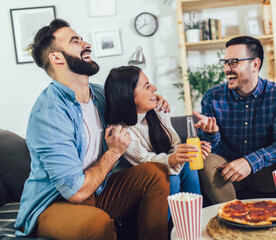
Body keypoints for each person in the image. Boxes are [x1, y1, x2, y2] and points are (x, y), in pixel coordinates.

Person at [15, 19, 171, 240]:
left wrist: (152, 99)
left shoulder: (99, 95)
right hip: (55, 203)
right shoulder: (49, 114)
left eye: (82, 38)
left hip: (98, 189)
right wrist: (114, 152)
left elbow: (130, 102)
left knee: (156, 173)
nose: (86, 44)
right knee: (96, 224)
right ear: (57, 57)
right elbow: (76, 192)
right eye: (75, 41)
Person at [193, 36, 276, 204]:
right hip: (227, 174)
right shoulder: (212, 97)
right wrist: (211, 134)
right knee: (206, 160)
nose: (227, 69)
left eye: (234, 62)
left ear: (255, 65)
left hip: (267, 171)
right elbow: (209, 149)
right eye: (225, 62)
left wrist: (250, 162)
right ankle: (233, 220)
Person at [104, 66, 211, 198]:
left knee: (188, 164)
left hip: (160, 168)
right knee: (171, 178)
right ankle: (167, 219)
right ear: (128, 95)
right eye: (147, 87)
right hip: (137, 181)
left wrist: (188, 152)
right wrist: (174, 158)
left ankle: (194, 215)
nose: (154, 88)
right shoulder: (120, 132)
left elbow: (174, 144)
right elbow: (146, 162)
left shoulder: (157, 110)